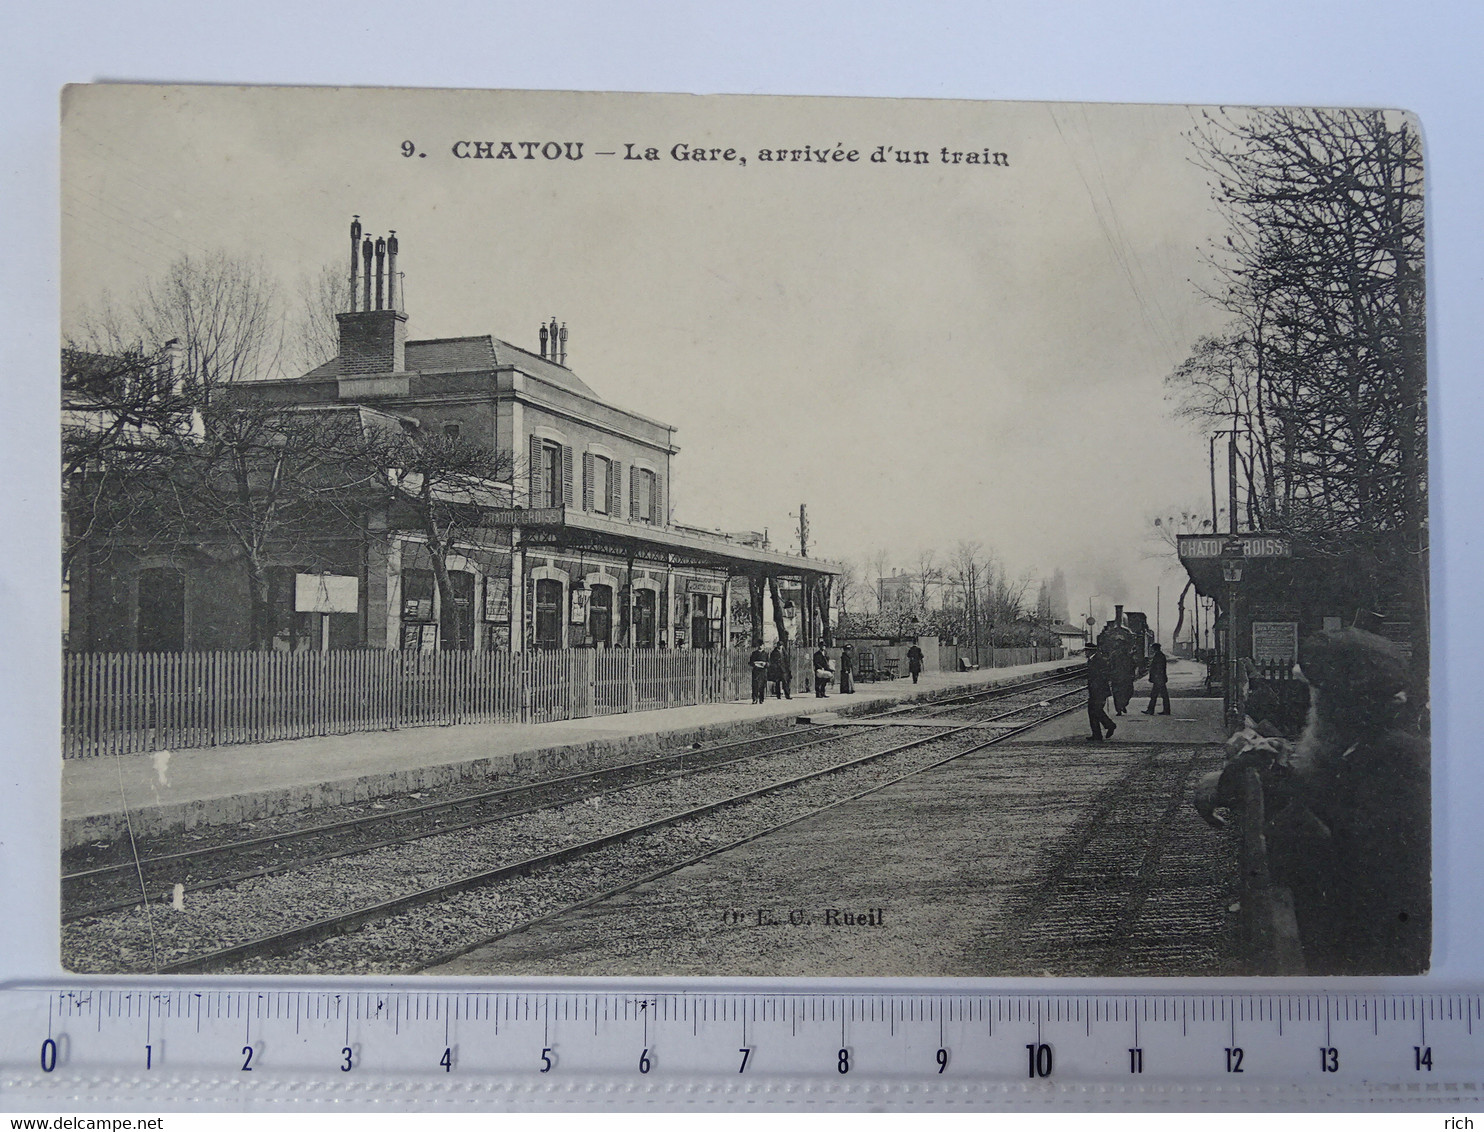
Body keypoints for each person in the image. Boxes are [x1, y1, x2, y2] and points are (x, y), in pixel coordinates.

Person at [1086, 646, 1116, 740]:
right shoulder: (1093, 659)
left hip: (1099, 690)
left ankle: (1109, 726)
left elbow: (1105, 674)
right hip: (1095, 689)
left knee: (1095, 710)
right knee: (1094, 711)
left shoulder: (1099, 660)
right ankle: (1097, 734)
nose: (1085, 652)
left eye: (1086, 650)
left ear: (1091, 651)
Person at [1142, 642, 1171, 715]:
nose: (1151, 649)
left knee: (1155, 695)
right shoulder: (1160, 655)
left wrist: (1154, 677)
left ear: (1155, 648)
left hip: (1158, 679)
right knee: (1161, 695)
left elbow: (1158, 668)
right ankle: (1165, 710)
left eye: (1152, 648)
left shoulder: (1158, 656)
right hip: (1160, 678)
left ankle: (1151, 710)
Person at [1108, 640, 1135, 715]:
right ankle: (1121, 707)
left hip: (1118, 677)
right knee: (1127, 692)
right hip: (1124, 677)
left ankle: (1120, 707)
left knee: (1118, 694)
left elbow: (1109, 666)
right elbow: (1133, 665)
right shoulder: (1127, 655)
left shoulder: (1114, 655)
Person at [749, 640, 770, 704]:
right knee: (755, 685)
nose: (760, 646)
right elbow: (750, 662)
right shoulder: (754, 653)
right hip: (756, 671)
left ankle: (761, 699)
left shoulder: (766, 654)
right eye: (759, 645)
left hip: (763, 671)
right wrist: (754, 663)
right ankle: (754, 699)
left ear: (763, 646)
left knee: (762, 685)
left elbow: (769, 663)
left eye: (762, 645)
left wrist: (765, 664)